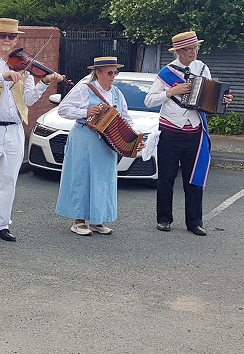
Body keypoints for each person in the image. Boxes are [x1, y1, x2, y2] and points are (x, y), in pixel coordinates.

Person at [0, 18, 63, 244]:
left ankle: (2, 224)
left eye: (11, 36)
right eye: (3, 36)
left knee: (9, 179)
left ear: (16, 40)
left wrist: (44, 83)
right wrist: (1, 76)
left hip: (15, 129)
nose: (7, 40)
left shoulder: (25, 67)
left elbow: (28, 99)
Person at [145, 31, 233, 236]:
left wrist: (223, 100)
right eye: (189, 49)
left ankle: (194, 222)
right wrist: (171, 92)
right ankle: (164, 219)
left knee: (193, 178)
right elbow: (149, 101)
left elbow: (210, 96)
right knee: (166, 177)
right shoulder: (166, 73)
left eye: (196, 48)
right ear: (178, 52)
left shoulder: (202, 68)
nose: (194, 52)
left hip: (195, 131)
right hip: (170, 131)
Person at [55, 57, 141, 235]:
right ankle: (78, 221)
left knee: (103, 179)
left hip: (108, 141)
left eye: (115, 72)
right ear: (97, 73)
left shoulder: (117, 93)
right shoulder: (84, 89)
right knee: (81, 176)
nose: (113, 76)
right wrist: (85, 112)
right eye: (109, 72)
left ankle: (97, 219)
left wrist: (134, 137)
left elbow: (126, 118)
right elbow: (63, 109)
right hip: (84, 137)